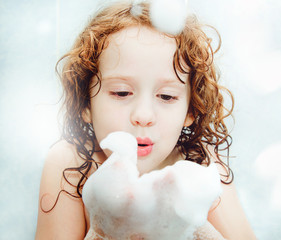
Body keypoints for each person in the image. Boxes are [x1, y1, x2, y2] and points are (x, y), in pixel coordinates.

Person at [35, 1, 256, 239]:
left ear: (191, 111)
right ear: (85, 103)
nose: (143, 116)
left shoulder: (201, 166)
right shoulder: (71, 164)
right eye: (121, 93)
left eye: (167, 96)